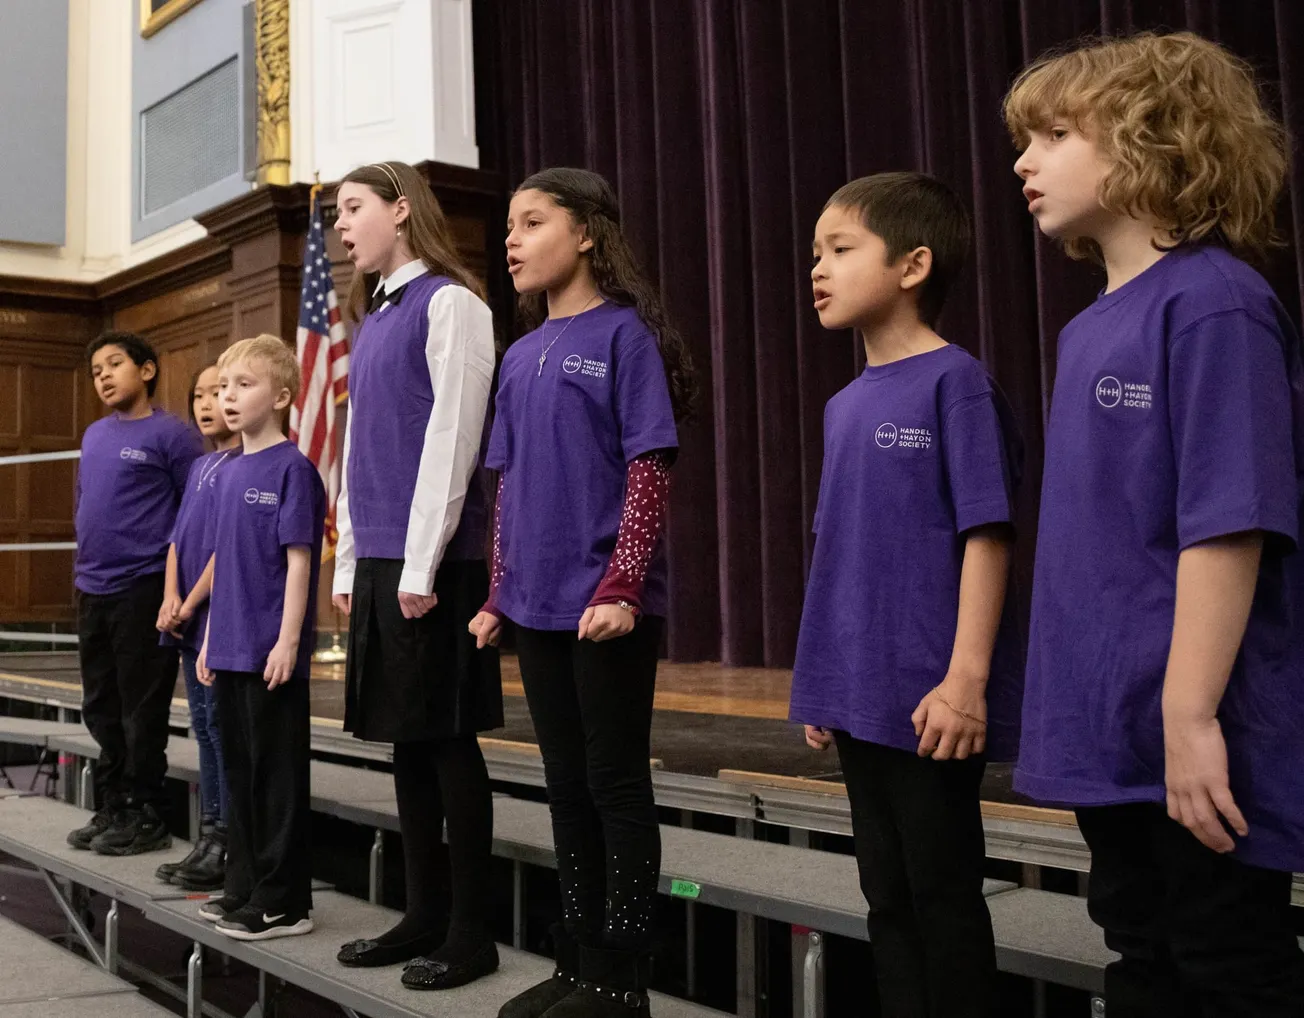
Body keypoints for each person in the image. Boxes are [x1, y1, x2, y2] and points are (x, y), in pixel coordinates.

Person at [1007, 31, 1304, 1014]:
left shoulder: (1215, 304)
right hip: (1114, 730)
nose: (1023, 160)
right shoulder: (1088, 323)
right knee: (1140, 956)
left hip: (1193, 725)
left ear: (1149, 140)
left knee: (1225, 967)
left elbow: (1229, 522)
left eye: (1053, 133)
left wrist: (1186, 717)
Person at [790, 172, 1023, 1018]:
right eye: (816, 253)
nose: (817, 268)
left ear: (914, 264)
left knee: (943, 898)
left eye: (840, 250)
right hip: (858, 693)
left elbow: (987, 535)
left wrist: (965, 680)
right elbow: (840, 554)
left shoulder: (954, 383)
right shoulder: (844, 405)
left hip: (930, 700)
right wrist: (824, 678)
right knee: (884, 895)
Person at [469, 167, 696, 1018]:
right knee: (564, 784)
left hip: (606, 607)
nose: (513, 241)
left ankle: (621, 976)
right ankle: (577, 958)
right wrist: (499, 592)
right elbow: (508, 485)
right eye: (511, 228)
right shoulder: (521, 353)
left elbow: (648, 465)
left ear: (588, 233)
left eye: (532, 223)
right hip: (536, 607)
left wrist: (624, 582)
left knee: (613, 783)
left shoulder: (623, 337)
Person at [329, 160, 503, 990]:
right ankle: (424, 912)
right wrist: (352, 558)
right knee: (406, 743)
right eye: (337, 213)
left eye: (352, 208)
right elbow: (362, 452)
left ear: (401, 211)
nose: (340, 226)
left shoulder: (452, 303)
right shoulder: (373, 322)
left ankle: (473, 931)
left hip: (435, 560)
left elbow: (455, 441)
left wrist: (422, 560)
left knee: (447, 740)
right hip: (385, 559)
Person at [195, 334, 325, 942]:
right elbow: (224, 560)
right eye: (223, 386)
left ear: (279, 395)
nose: (227, 396)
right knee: (241, 773)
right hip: (228, 645)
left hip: (271, 650)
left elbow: (299, 562)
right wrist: (207, 640)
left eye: (242, 385)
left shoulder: (293, 469)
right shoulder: (226, 472)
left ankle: (285, 901)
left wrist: (289, 641)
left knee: (276, 779)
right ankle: (243, 885)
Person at [69, 331, 202, 855]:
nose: (103, 375)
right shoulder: (95, 434)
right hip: (92, 587)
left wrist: (177, 590)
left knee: (139, 709)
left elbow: (194, 515)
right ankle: (112, 806)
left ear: (146, 370)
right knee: (100, 705)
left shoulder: (173, 435)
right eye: (96, 369)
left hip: (143, 587)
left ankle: (146, 812)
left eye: (114, 364)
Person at [153, 363, 240, 890]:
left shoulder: (242, 465)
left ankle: (227, 838)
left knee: (221, 730)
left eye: (219, 391)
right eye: (199, 394)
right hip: (188, 613)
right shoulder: (202, 467)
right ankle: (209, 834)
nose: (207, 403)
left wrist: (189, 600)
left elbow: (224, 548)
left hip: (216, 615)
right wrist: (169, 595)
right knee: (204, 730)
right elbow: (179, 540)